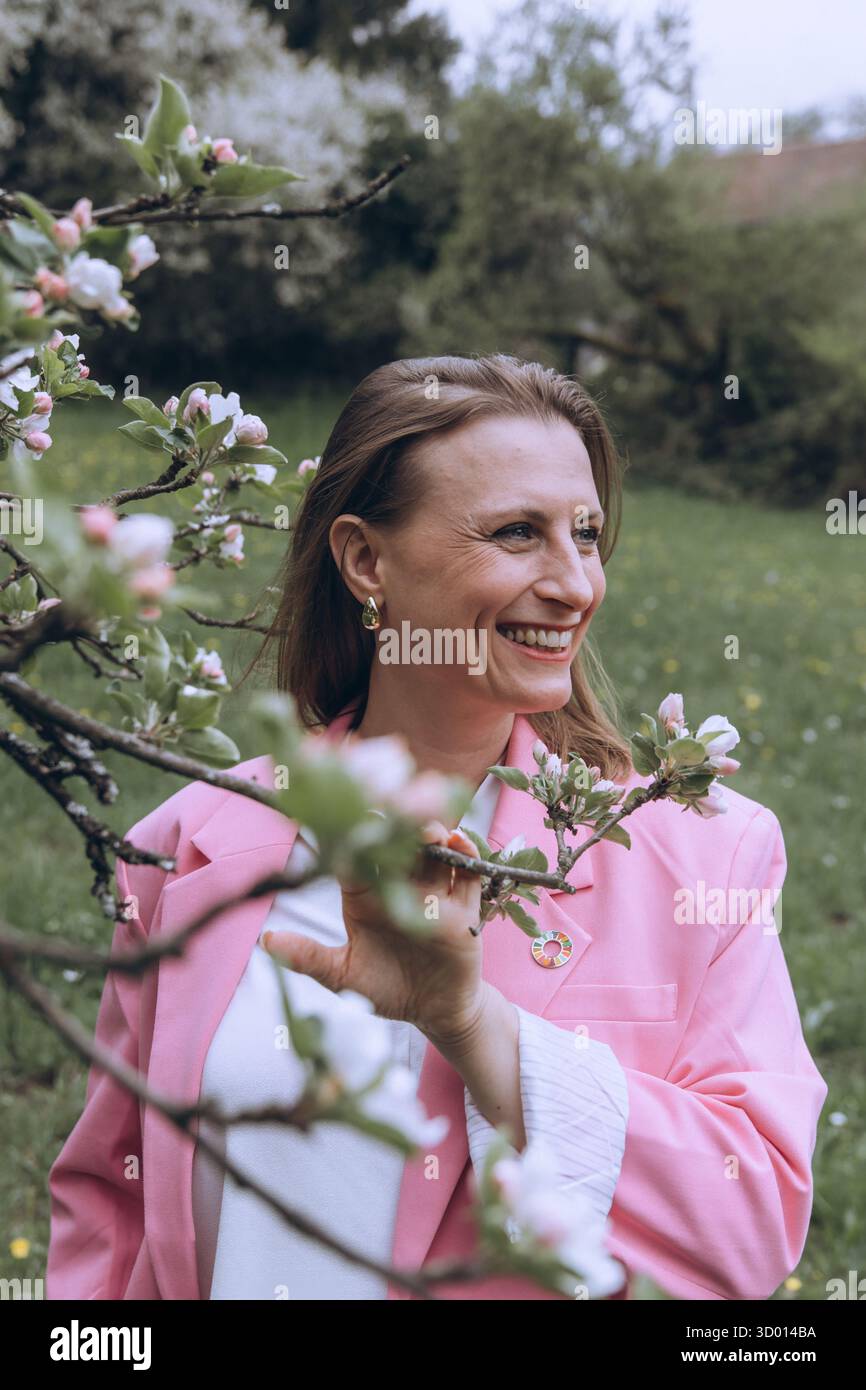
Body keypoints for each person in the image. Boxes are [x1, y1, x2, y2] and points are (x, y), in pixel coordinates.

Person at [46, 354, 828, 1301]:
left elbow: (753, 1225)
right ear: (366, 560)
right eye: (515, 534)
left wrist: (473, 1027)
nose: (576, 583)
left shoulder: (707, 856)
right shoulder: (192, 846)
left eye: (585, 534)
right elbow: (109, 1210)